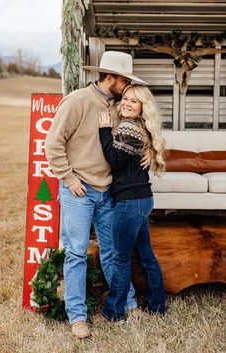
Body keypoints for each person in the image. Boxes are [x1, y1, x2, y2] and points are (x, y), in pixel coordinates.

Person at [45, 51, 150, 338]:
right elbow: (52, 144)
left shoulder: (117, 106)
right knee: (77, 253)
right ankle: (78, 317)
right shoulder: (78, 101)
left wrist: (149, 150)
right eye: (124, 81)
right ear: (112, 78)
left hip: (108, 191)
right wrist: (68, 178)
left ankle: (127, 303)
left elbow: (135, 133)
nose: (126, 87)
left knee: (113, 252)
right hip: (79, 191)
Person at [97, 84, 167, 322]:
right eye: (124, 98)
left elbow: (116, 160)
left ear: (142, 107)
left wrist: (105, 130)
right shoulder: (141, 127)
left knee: (120, 258)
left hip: (129, 202)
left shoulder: (128, 126)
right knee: (146, 257)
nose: (126, 103)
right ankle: (157, 307)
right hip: (142, 200)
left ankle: (113, 312)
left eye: (133, 101)